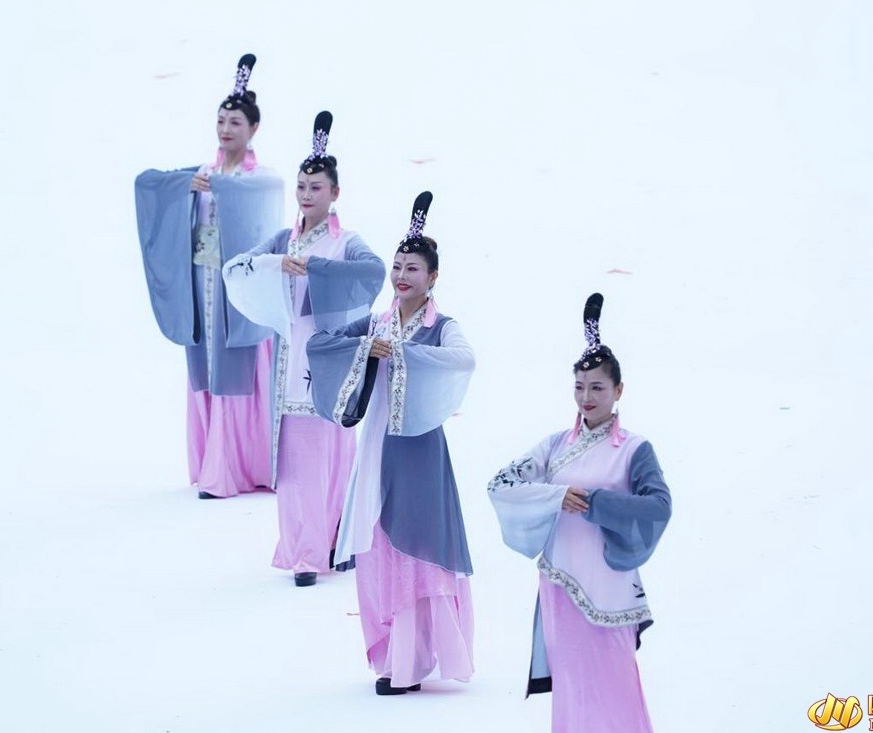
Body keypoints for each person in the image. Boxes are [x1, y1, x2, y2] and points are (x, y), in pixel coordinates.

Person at [306, 192, 477, 695]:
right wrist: (366, 348)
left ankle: (414, 663)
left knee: (417, 548)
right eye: (398, 266)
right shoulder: (377, 323)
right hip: (378, 449)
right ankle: (394, 658)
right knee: (381, 545)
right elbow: (322, 342)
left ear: (433, 277)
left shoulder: (442, 327)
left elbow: (463, 360)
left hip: (421, 452)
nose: (401, 275)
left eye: (413, 268)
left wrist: (401, 355)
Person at [486, 293, 671, 733]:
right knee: (572, 686)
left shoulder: (634, 449)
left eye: (597, 388)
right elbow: (500, 484)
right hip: (560, 583)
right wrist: (555, 496)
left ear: (619, 390)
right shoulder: (555, 445)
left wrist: (595, 503)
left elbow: (659, 507)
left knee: (615, 687)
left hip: (609, 586)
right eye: (580, 387)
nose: (586, 397)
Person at [222, 112, 384, 587]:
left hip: (331, 359)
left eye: (316, 187)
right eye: (301, 187)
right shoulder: (284, 240)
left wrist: (316, 270)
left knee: (335, 455)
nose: (307, 195)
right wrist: (277, 264)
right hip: (291, 362)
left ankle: (335, 543)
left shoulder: (347, 242)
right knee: (297, 463)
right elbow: (237, 268)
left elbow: (373, 274)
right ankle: (303, 553)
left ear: (335, 193)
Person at [135, 53, 283, 499]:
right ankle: (211, 463)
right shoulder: (202, 173)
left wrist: (222, 188)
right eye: (220, 120)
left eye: (235, 122)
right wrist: (185, 187)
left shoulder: (261, 178)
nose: (225, 129)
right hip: (202, 285)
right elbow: (149, 182)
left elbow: (267, 200)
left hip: (237, 291)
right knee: (205, 365)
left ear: (253, 128)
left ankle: (237, 469)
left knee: (239, 367)